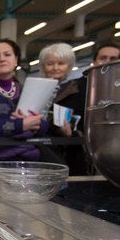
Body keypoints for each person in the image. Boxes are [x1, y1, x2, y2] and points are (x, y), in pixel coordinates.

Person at [0, 39, 49, 163]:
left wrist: (36, 125)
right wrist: (22, 125)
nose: (2, 59)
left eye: (7, 55)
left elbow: (46, 124)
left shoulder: (28, 89)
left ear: (16, 60)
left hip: (28, 159)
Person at [39, 43, 87, 174]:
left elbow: (85, 125)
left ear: (69, 66)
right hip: (41, 150)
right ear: (43, 66)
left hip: (69, 152)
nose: (55, 68)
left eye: (61, 63)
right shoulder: (35, 89)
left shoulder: (79, 90)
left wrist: (72, 134)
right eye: (50, 64)